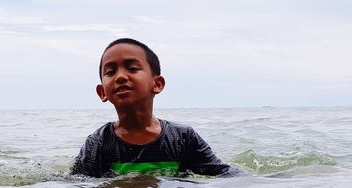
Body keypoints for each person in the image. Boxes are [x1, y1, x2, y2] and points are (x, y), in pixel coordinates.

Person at [71, 38, 241, 178]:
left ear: (157, 84)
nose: (120, 76)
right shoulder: (99, 143)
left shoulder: (182, 138)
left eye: (132, 68)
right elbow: (79, 186)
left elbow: (222, 174)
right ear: (102, 92)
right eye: (110, 72)